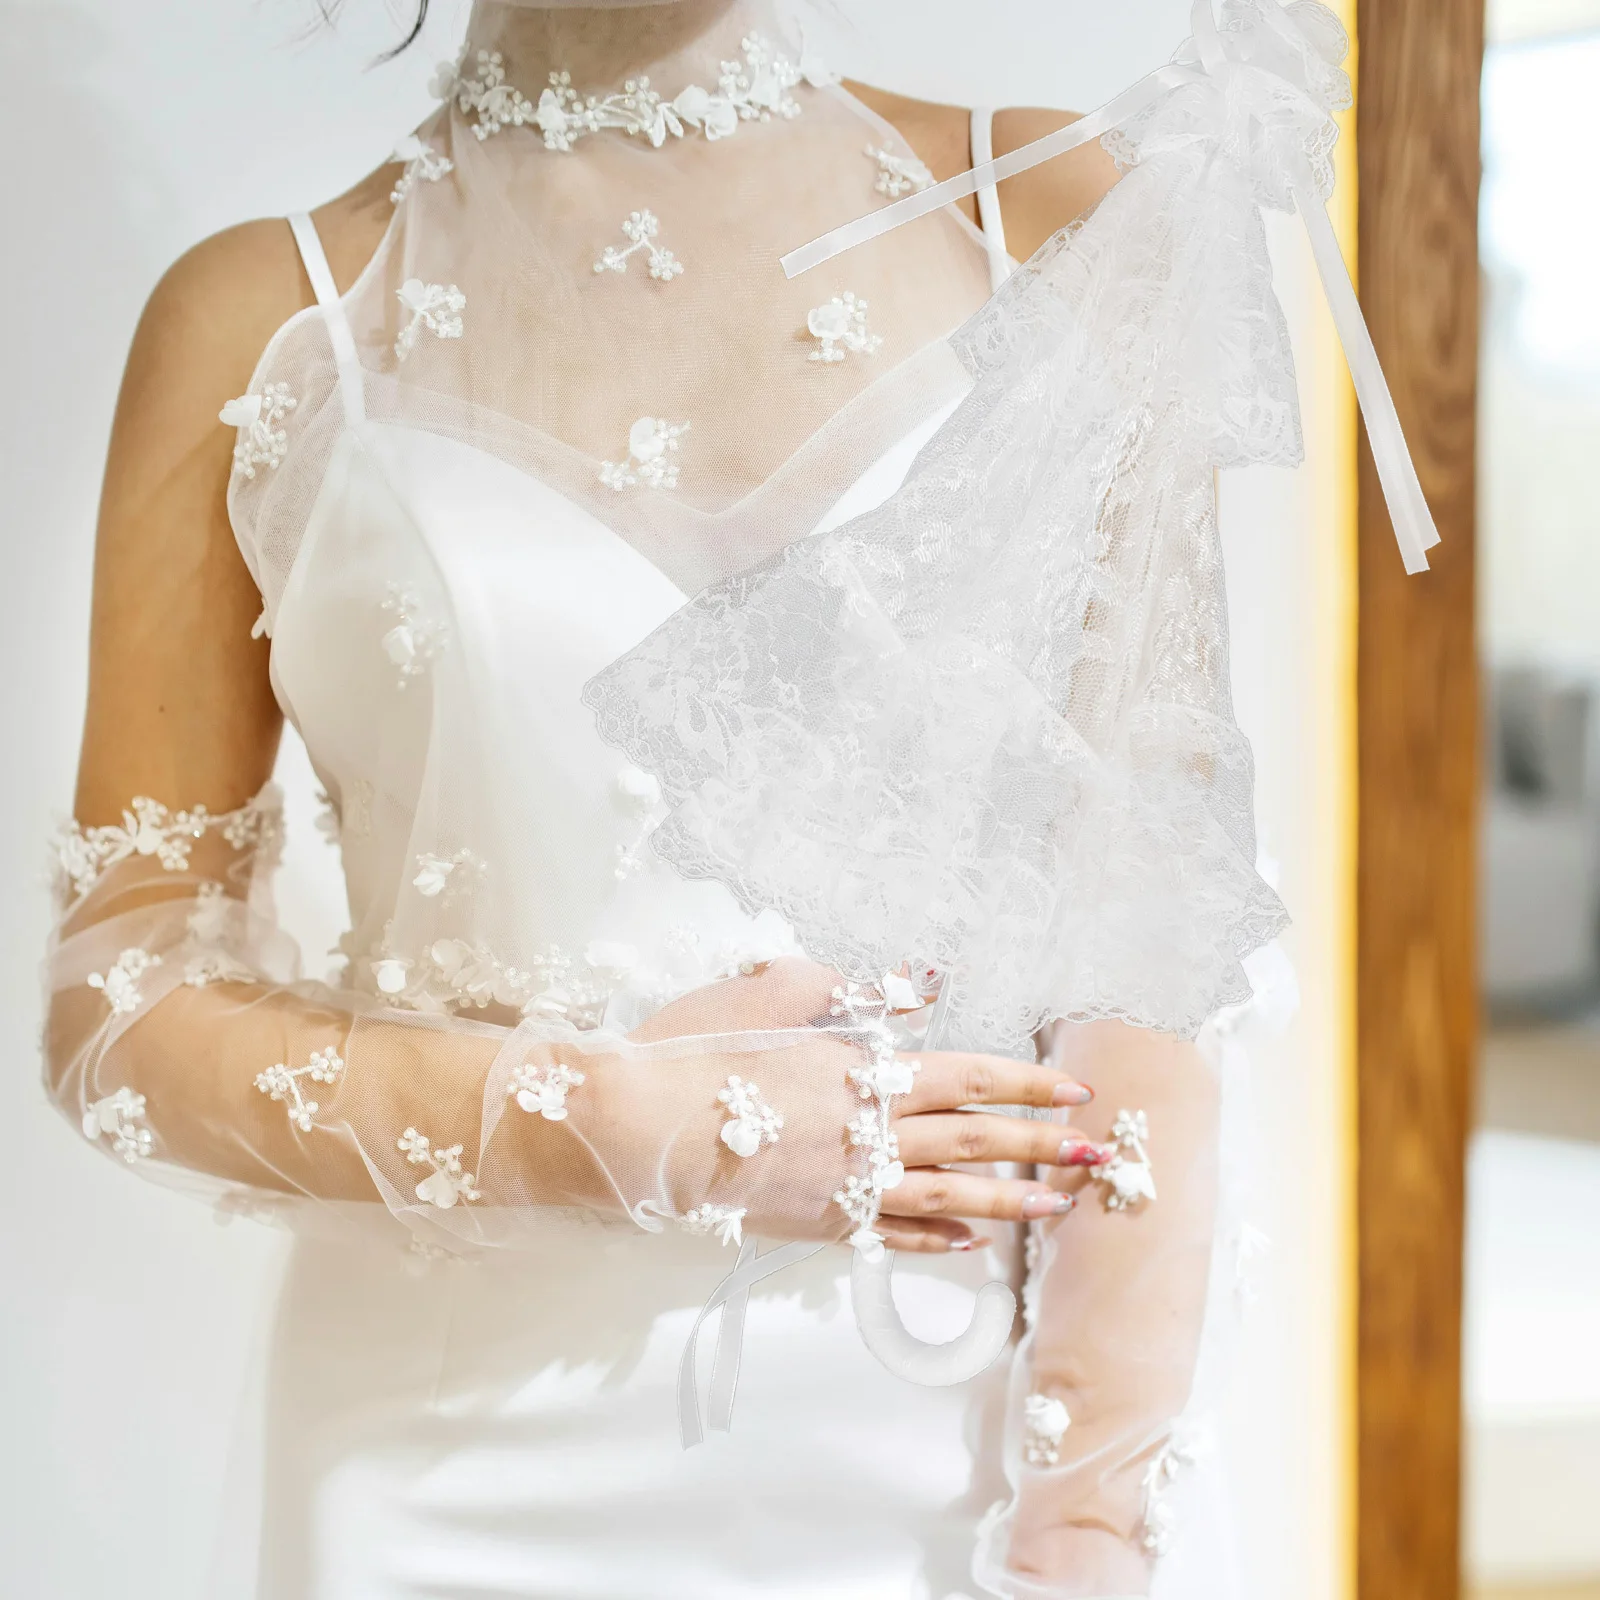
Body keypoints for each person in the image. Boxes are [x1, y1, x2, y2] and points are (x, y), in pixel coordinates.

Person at [46, 1, 1377, 1594]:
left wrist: (1089, 1491)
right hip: (457, 1453)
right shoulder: (267, 317)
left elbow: (1150, 898)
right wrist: (596, 1122)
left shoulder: (1038, 206)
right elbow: (121, 1002)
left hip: (962, 1433)